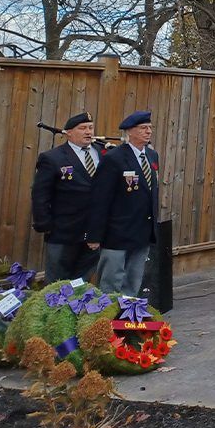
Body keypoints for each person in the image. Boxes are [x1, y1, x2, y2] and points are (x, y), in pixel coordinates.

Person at [86, 111, 159, 296]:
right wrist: (95, 234)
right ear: (130, 132)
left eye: (150, 128)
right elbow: (100, 198)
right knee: (111, 281)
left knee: (134, 280)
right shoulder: (114, 158)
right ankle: (107, 319)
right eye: (143, 128)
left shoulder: (151, 155)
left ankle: (127, 317)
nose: (148, 132)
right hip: (117, 232)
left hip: (142, 230)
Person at [31, 112, 103, 282]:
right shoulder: (53, 158)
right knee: (57, 281)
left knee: (82, 279)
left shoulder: (102, 153)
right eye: (82, 128)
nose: (88, 132)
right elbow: (40, 194)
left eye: (90, 128)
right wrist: (44, 224)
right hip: (63, 230)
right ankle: (55, 308)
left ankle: (76, 306)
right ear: (68, 132)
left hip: (95, 230)